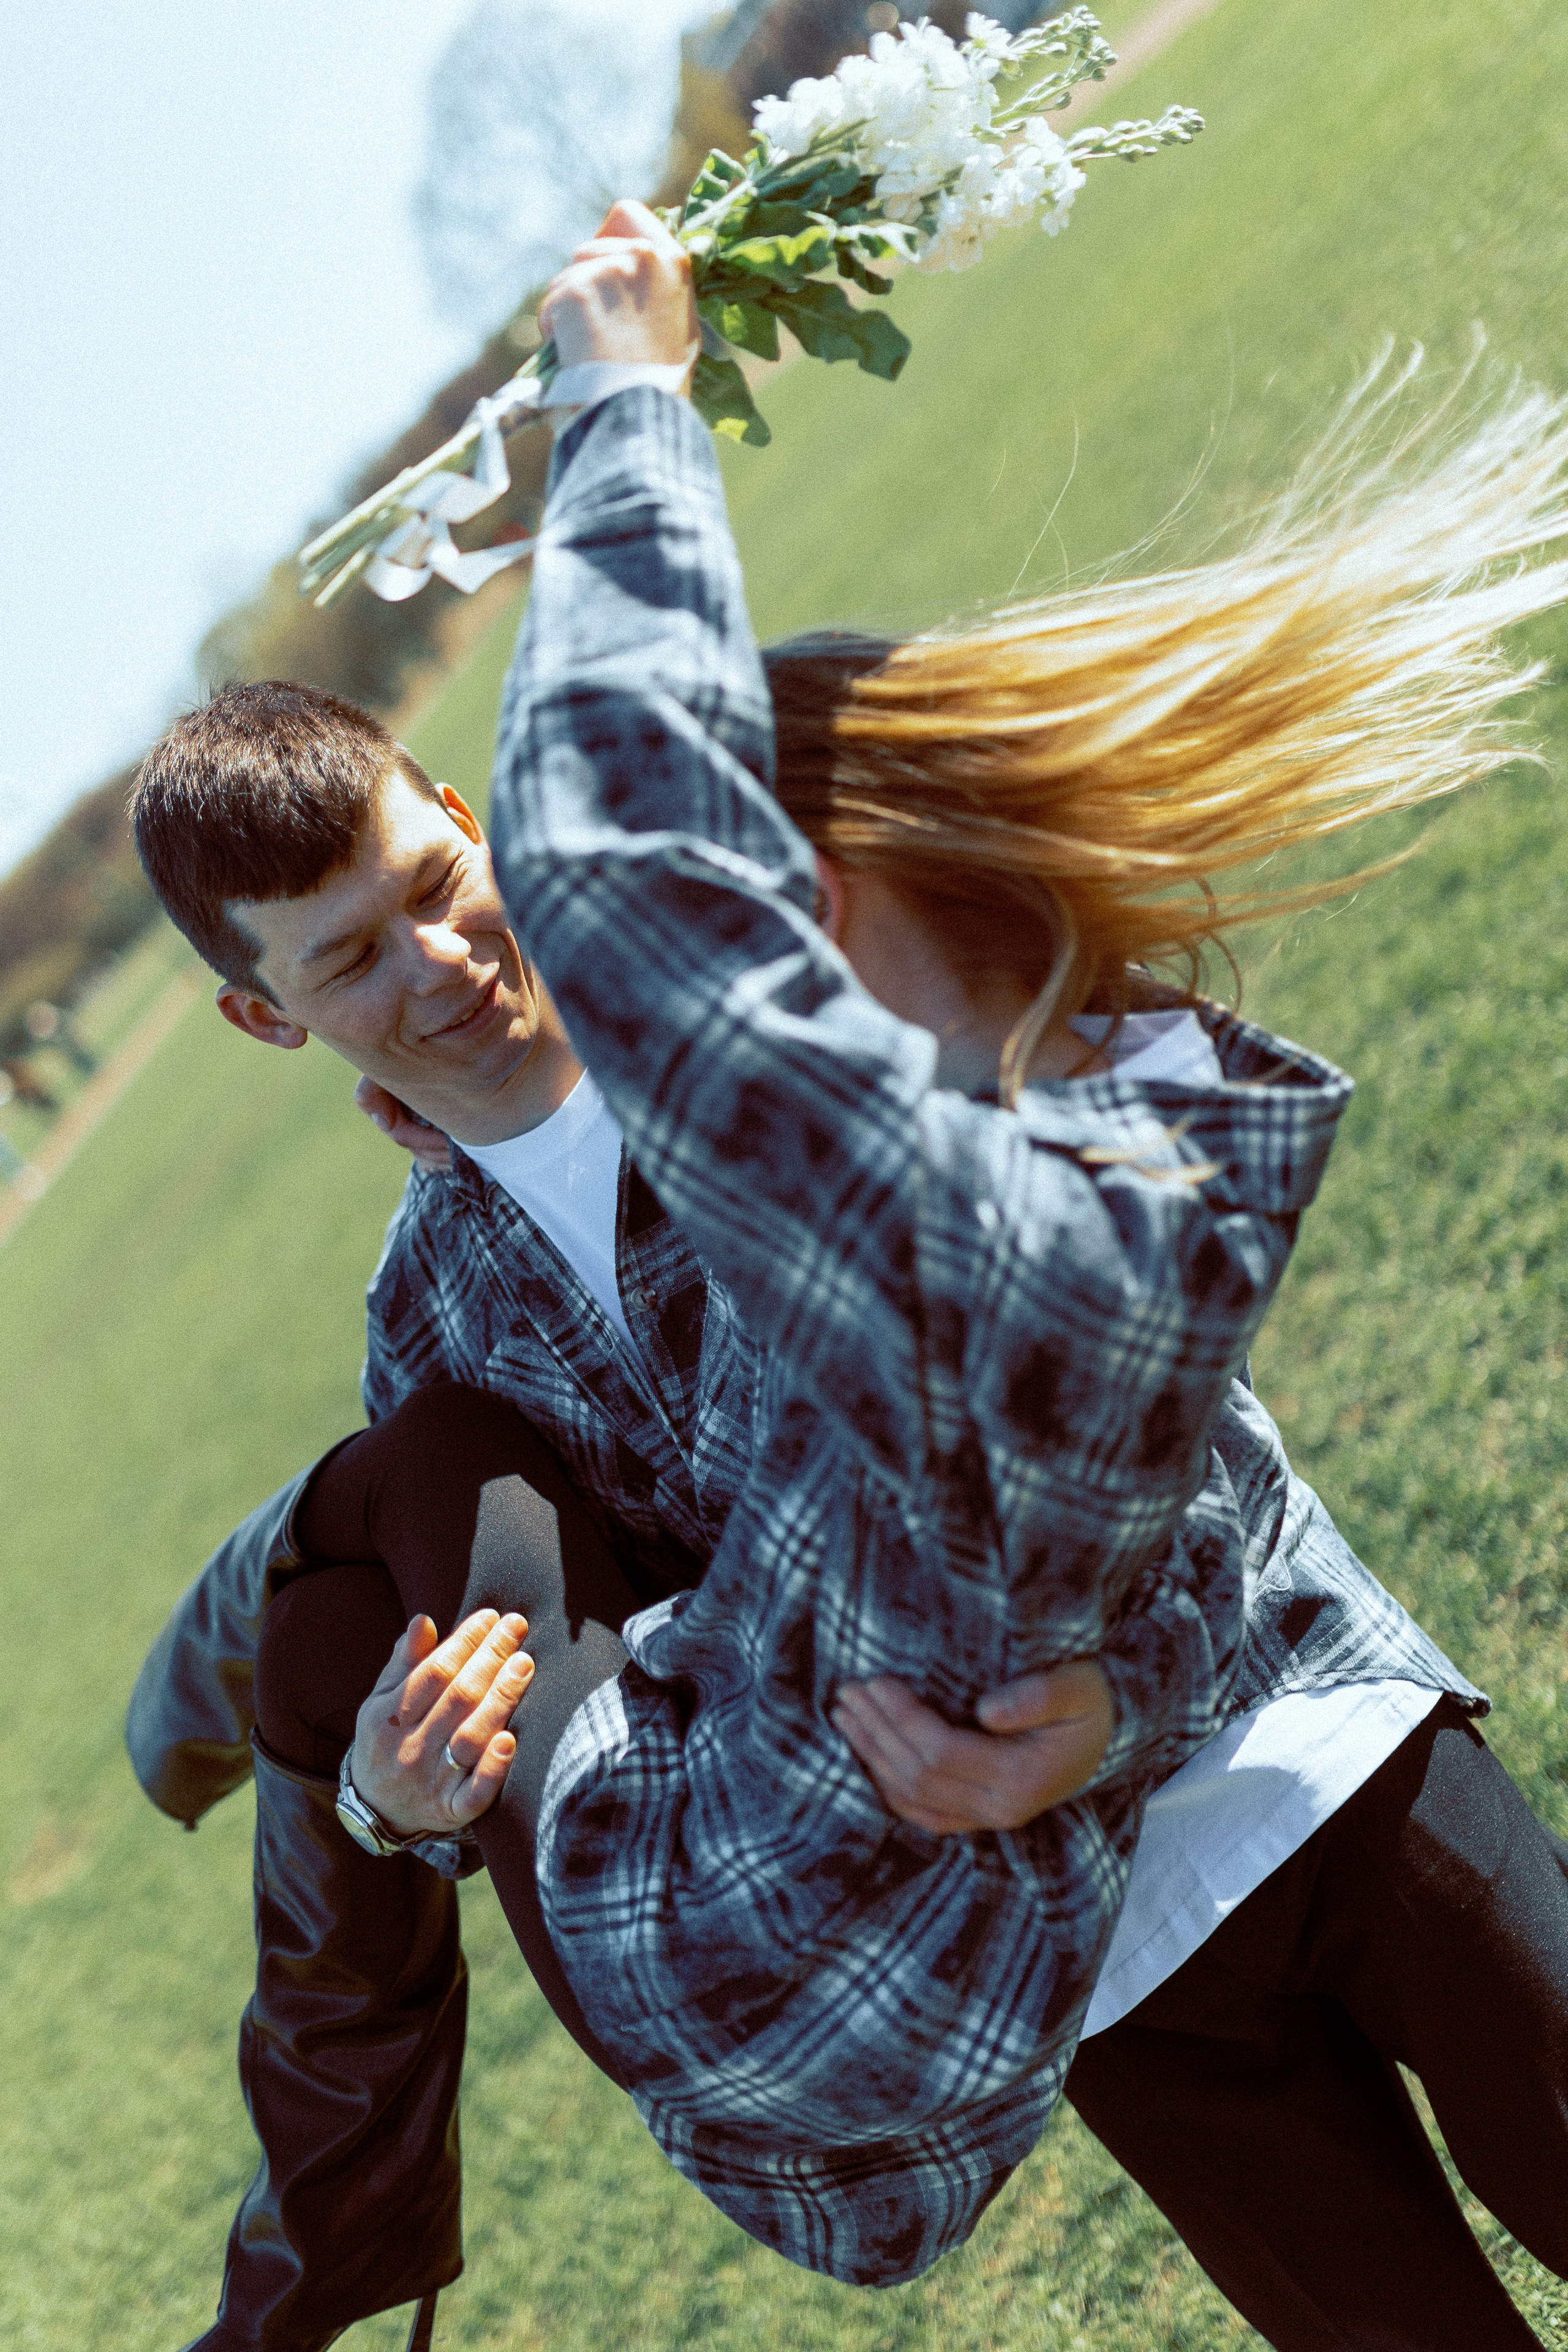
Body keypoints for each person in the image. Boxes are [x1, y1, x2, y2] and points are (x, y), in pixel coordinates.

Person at [132, 201, 1568, 2345]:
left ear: (459, 806)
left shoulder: (767, 990)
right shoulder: (430, 1334)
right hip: (1069, 1958)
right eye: (350, 958)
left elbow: (1130, 1380)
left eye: (433, 880)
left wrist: (1121, 1697)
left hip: (1298, 1739)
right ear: (267, 1020)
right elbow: (634, 1719)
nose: (440, 960)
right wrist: (409, 1803)